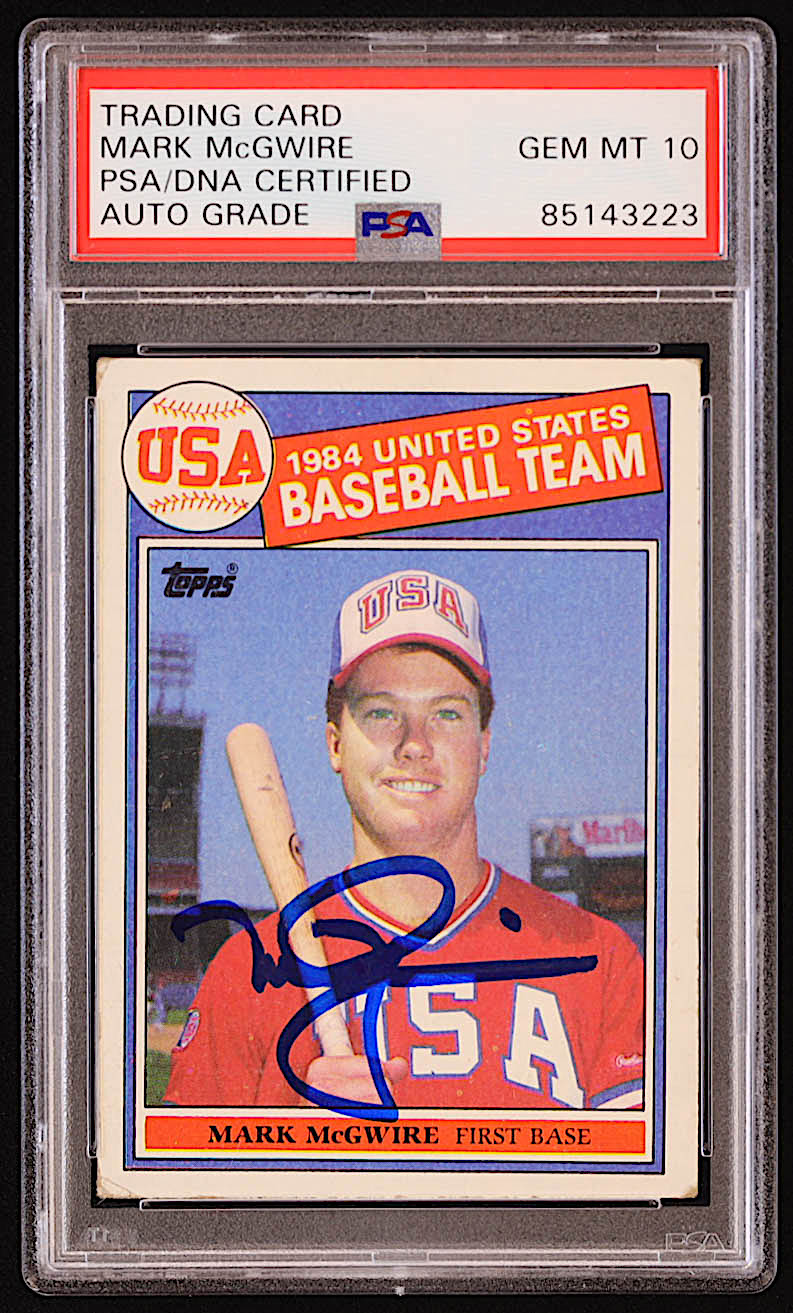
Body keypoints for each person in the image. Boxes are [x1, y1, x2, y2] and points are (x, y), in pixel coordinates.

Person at [165, 569, 644, 1111]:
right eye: (381, 712)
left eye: (446, 713)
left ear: (483, 746)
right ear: (336, 745)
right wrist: (293, 1145)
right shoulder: (244, 974)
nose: (415, 744)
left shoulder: (601, 960)